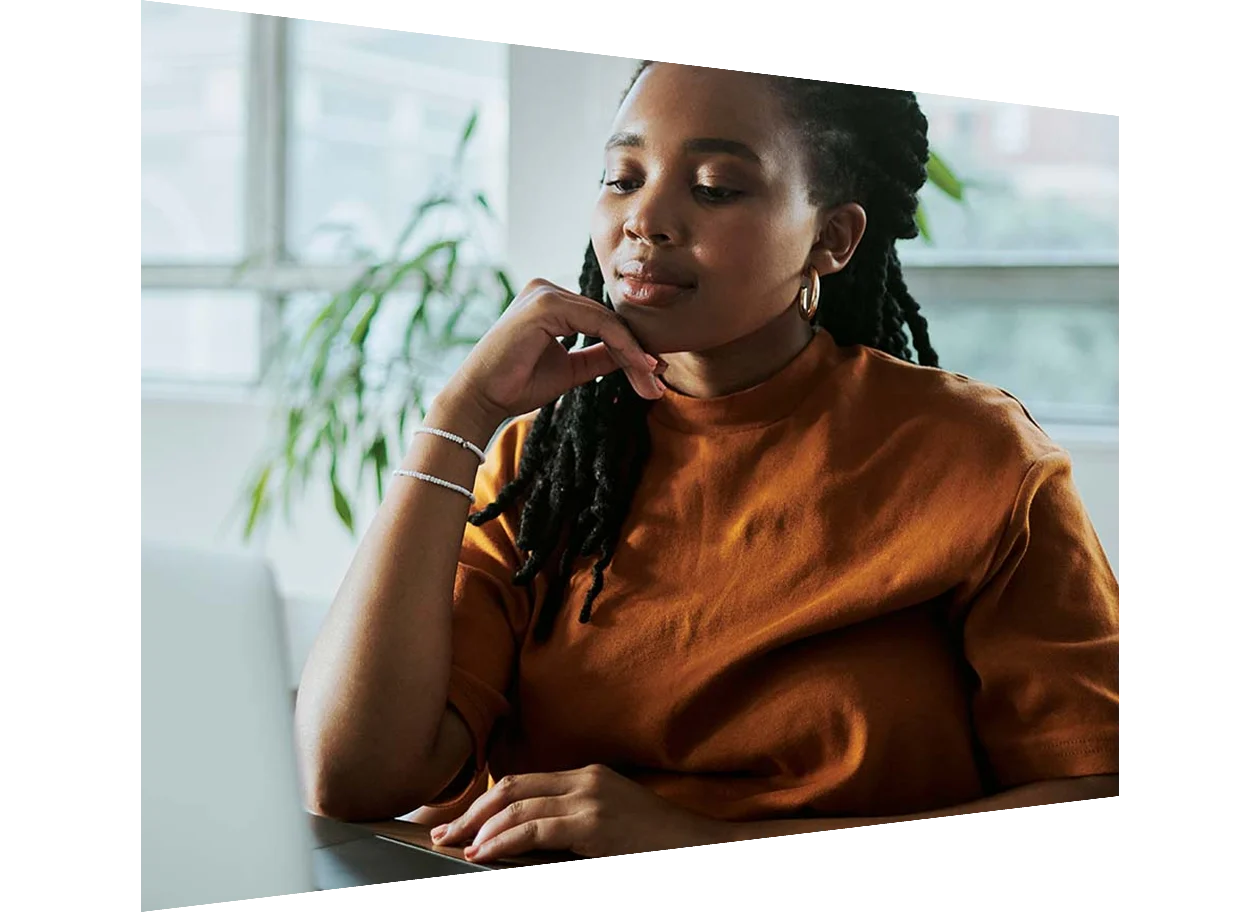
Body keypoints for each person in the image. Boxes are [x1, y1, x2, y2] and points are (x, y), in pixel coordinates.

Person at [295, 61, 1120, 863]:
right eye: (622, 177)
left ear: (830, 239)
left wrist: (707, 842)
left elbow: (1090, 787)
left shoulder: (974, 458)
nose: (643, 220)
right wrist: (456, 419)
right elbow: (352, 779)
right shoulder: (540, 464)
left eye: (715, 188)